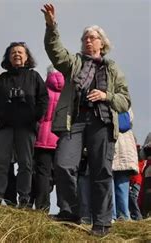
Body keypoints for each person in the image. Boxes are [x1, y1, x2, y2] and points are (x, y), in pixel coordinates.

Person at [42, 4, 131, 236]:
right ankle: (70, 212)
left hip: (102, 121)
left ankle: (101, 223)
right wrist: (52, 27)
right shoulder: (75, 63)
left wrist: (106, 95)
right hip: (76, 119)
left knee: (101, 171)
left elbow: (125, 100)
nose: (87, 41)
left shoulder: (113, 69)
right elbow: (56, 52)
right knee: (62, 164)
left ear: (102, 43)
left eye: (92, 38)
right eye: (84, 38)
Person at [0, 42, 49, 207]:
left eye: (20, 52)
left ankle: (24, 197)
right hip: (5, 126)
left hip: (26, 127)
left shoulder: (34, 77)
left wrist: (35, 115)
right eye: (13, 52)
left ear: (27, 57)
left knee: (25, 163)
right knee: (1, 162)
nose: (17, 55)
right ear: (8, 57)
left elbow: (43, 99)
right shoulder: (2, 79)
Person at [30, 65, 64, 211]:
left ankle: (42, 206)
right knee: (61, 173)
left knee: (42, 173)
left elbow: (38, 114)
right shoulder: (67, 91)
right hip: (61, 137)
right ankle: (65, 208)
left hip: (44, 137)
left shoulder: (43, 90)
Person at [111, 109, 139, 221]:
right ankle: (123, 217)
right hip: (125, 151)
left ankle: (112, 217)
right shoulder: (126, 106)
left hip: (114, 146)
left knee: (110, 187)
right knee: (122, 186)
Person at [129, 144, 144, 220]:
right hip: (136, 180)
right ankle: (136, 215)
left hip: (136, 180)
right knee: (133, 197)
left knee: (133, 198)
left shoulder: (138, 158)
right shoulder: (139, 158)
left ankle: (138, 216)